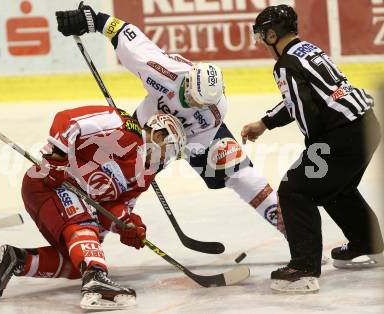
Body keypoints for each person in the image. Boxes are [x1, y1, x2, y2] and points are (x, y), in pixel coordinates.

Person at [54, 2, 285, 239]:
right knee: (120, 178)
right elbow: (125, 33)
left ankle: (293, 229)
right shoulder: (162, 70)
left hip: (192, 137)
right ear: (187, 81)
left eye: (203, 103)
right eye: (194, 99)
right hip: (146, 129)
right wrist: (91, 19)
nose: (198, 105)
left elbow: (195, 147)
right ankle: (90, 233)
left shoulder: (214, 111)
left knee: (240, 172)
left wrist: (168, 155)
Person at [0, 105, 186, 310]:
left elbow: (112, 207)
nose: (164, 160)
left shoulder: (145, 176)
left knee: (77, 262)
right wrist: (57, 159)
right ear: (159, 135)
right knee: (85, 229)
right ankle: (96, 282)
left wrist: (127, 224)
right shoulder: (121, 124)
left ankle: (14, 259)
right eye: (168, 152)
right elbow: (67, 120)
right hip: (47, 184)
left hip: (68, 200)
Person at [241, 5, 384, 293]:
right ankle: (369, 244)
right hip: (367, 126)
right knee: (336, 188)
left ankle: (303, 269)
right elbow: (312, 96)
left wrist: (313, 152)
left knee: (296, 189)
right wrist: (266, 122)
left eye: (262, 36)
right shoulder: (306, 49)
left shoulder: (284, 65)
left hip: (341, 137)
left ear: (271, 34)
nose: (261, 42)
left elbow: (306, 111)